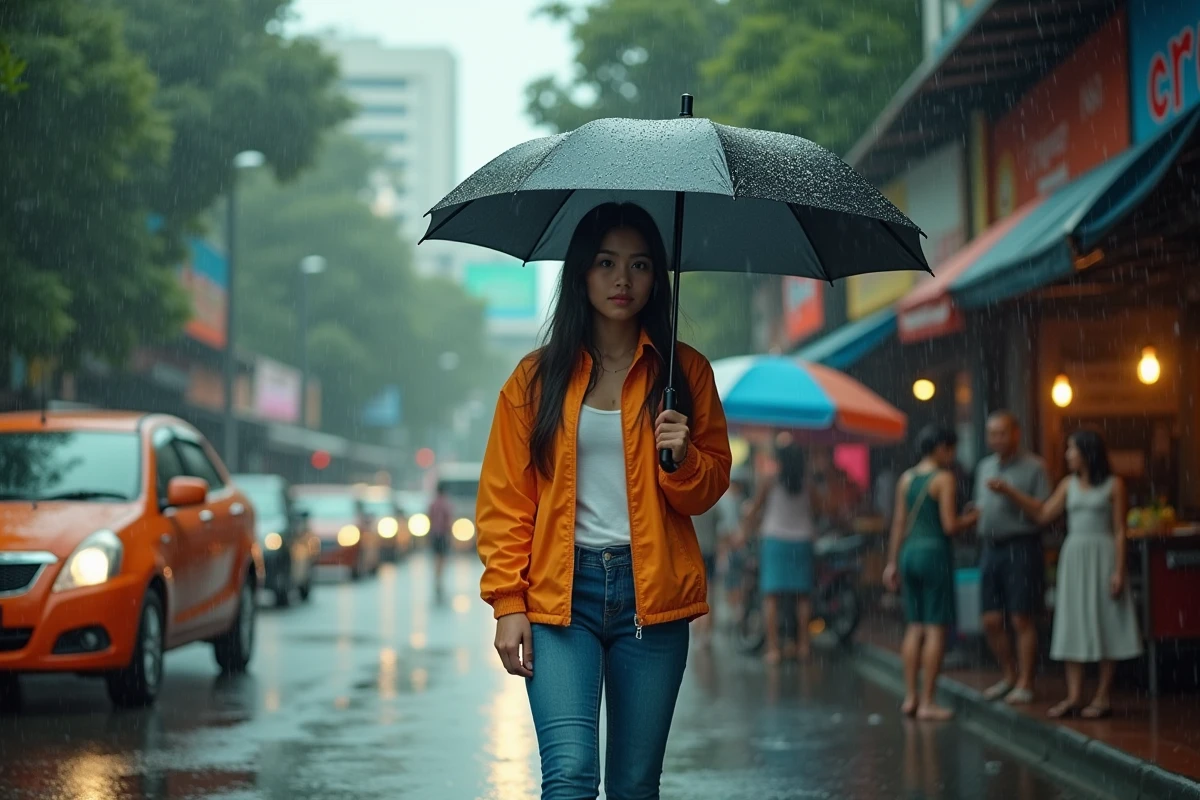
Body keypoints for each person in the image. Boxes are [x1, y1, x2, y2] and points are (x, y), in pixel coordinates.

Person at [475, 202, 732, 799]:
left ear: (656, 276)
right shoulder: (534, 381)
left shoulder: (684, 373)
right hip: (561, 596)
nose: (623, 280)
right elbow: (506, 501)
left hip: (653, 596)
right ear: (581, 274)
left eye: (640, 265)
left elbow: (707, 490)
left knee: (636, 785)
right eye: (606, 263)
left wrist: (682, 455)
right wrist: (508, 601)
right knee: (568, 777)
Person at [989, 430, 1142, 719]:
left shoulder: (1114, 485)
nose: (1068, 454)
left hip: (1103, 553)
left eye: (1072, 449)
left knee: (1106, 619)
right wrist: (1011, 493)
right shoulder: (1068, 485)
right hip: (1074, 555)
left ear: (1087, 452)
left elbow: (1121, 530)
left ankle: (1102, 696)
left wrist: (1120, 570)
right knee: (1073, 621)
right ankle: (1073, 696)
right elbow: (1044, 514)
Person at [883, 426, 979, 721]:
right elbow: (950, 525)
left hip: (909, 553)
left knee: (915, 626)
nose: (952, 456)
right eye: (950, 449)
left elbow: (899, 522)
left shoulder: (907, 478)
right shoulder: (944, 478)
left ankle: (910, 697)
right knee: (936, 627)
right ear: (940, 449)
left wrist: (891, 563)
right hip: (934, 553)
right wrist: (972, 518)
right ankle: (928, 701)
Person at [973, 410, 1051, 705]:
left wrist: (1010, 492)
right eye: (992, 433)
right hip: (990, 547)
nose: (996, 439)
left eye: (1002, 432)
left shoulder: (1035, 467)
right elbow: (983, 506)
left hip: (1022, 545)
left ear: (1016, 433)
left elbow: (1043, 512)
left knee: (1021, 617)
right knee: (991, 620)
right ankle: (1009, 674)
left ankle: (1026, 682)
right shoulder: (984, 466)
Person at [741, 441, 820, 664]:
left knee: (771, 597)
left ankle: (774, 649)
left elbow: (754, 508)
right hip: (802, 541)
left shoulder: (770, 481)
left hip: (775, 541)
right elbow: (819, 509)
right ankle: (804, 646)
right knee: (802, 596)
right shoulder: (807, 483)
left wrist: (747, 526)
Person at [690, 483, 737, 647]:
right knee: (710, 593)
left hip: (694, 550)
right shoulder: (712, 504)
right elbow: (723, 529)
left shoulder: (689, 502)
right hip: (710, 551)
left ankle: (697, 630)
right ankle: (706, 633)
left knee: (696, 592)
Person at [427, 482, 454, 596]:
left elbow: (429, 518)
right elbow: (448, 521)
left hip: (434, 534)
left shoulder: (433, 504)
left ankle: (437, 578)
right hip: (443, 535)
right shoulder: (446, 504)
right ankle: (439, 579)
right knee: (442, 558)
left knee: (436, 557)